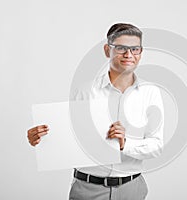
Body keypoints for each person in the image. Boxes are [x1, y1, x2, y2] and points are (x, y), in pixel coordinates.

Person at [27, 23, 164, 200]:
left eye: (134, 49)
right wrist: (42, 139)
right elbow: (72, 137)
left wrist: (125, 144)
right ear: (108, 50)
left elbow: (156, 146)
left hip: (132, 190)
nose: (128, 55)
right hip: (88, 189)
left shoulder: (150, 92)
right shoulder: (85, 91)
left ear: (140, 52)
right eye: (121, 48)